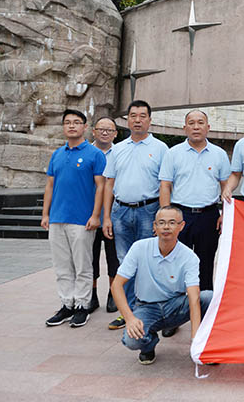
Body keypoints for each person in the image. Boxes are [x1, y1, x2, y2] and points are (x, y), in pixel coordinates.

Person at [111, 206, 212, 365]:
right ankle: (148, 345)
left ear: (181, 226)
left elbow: (194, 298)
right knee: (132, 340)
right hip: (146, 306)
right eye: (162, 223)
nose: (166, 227)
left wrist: (195, 339)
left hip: (175, 306)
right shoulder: (139, 248)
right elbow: (117, 285)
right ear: (154, 226)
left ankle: (207, 343)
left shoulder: (189, 257)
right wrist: (129, 319)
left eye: (172, 223)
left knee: (209, 297)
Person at [102, 100, 169, 331]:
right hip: (120, 212)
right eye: (133, 115)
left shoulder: (161, 149)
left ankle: (155, 311)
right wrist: (107, 217)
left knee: (151, 262)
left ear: (149, 120)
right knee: (126, 263)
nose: (137, 120)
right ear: (127, 120)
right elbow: (109, 184)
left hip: (148, 211)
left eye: (142, 116)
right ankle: (128, 312)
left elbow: (165, 184)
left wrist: (162, 218)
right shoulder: (117, 149)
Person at [42, 109, 107, 328]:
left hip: (82, 220)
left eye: (76, 122)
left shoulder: (94, 154)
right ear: (63, 127)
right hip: (57, 218)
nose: (72, 126)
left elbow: (101, 186)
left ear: (85, 127)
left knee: (82, 266)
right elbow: (50, 185)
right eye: (68, 122)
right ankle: (66, 304)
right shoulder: (57, 154)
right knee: (61, 266)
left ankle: (82, 305)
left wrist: (96, 215)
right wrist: (45, 214)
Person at [159, 110, 230, 290]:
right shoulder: (173, 153)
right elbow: (165, 185)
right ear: (185, 128)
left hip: (208, 215)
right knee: (175, 262)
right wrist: (165, 217)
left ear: (208, 127)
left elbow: (226, 187)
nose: (196, 127)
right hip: (180, 215)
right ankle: (176, 301)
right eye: (191, 123)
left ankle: (204, 301)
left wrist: (225, 214)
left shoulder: (219, 154)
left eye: (200, 123)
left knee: (205, 262)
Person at [90, 117, 119, 314]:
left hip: (113, 215)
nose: (105, 132)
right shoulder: (86, 152)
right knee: (89, 258)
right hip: (88, 215)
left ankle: (113, 294)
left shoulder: (120, 152)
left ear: (115, 134)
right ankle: (91, 294)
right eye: (101, 129)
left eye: (109, 130)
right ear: (94, 131)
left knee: (114, 258)